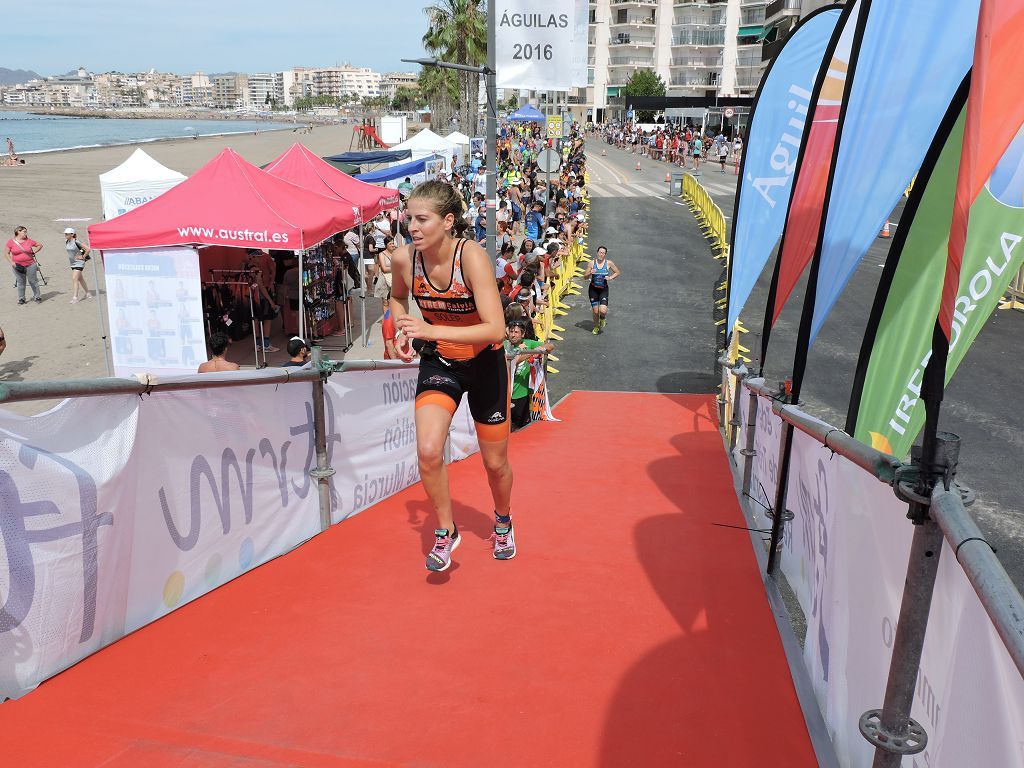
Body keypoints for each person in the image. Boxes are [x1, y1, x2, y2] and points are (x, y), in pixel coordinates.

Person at [389, 180, 515, 571]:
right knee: (428, 451)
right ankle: (446, 532)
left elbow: (495, 329)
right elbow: (396, 298)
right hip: (440, 363)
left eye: (422, 219)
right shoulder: (404, 260)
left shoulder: (472, 257)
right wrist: (403, 329)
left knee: (495, 464)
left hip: (485, 364)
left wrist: (430, 329)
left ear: (447, 222)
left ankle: (503, 520)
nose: (412, 226)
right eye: (409, 217)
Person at [504, 319, 554, 431]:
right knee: (507, 427)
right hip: (506, 393)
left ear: (523, 334)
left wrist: (541, 349)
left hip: (521, 393)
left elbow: (551, 346)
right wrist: (528, 353)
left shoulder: (529, 343)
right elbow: (510, 361)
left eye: (516, 332)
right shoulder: (505, 345)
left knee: (522, 427)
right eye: (511, 331)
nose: (513, 335)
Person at [584, 245, 621, 335]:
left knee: (603, 311)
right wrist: (590, 272)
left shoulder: (609, 263)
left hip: (603, 290)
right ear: (597, 253)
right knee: (596, 311)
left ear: (605, 254)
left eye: (603, 253)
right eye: (600, 252)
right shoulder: (592, 263)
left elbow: (617, 272)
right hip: (593, 290)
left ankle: (603, 319)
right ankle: (596, 327)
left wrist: (610, 277)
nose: (601, 254)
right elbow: (585, 277)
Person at [5, 226, 43, 304]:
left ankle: (37, 296)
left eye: (26, 231)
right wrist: (11, 262)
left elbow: (40, 245)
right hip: (17, 265)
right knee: (20, 282)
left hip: (30, 264)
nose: (26, 233)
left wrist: (34, 252)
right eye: (24, 231)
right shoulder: (11, 242)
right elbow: (6, 253)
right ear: (18, 232)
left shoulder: (29, 241)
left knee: (33, 281)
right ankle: (21, 298)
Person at [64, 227, 91, 303]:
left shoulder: (76, 241)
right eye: (65, 234)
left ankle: (75, 298)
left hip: (79, 263)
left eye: (67, 234)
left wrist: (83, 256)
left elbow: (88, 249)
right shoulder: (67, 241)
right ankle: (88, 293)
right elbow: (77, 250)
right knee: (80, 279)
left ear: (72, 234)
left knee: (74, 279)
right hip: (72, 263)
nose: (65, 235)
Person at [374, 235, 396, 310]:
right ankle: (386, 320)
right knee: (385, 301)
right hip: (384, 280)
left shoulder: (396, 253)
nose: (392, 245)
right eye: (390, 244)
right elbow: (384, 269)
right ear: (386, 245)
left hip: (395, 279)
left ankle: (393, 319)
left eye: (393, 243)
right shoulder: (381, 254)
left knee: (394, 302)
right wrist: (395, 268)